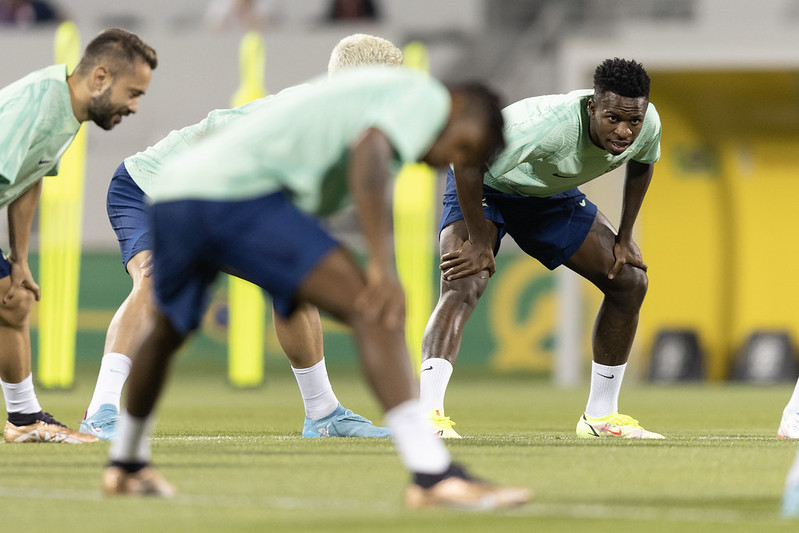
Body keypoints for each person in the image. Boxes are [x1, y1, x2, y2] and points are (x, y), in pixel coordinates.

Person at [101, 66, 530, 509]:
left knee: (168, 329)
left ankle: (126, 464)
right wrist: (382, 268)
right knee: (374, 307)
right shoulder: (426, 96)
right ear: (458, 105)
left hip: (177, 191)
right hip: (239, 194)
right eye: (461, 146)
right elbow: (370, 149)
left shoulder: (375, 103)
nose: (447, 161)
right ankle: (433, 475)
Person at [79, 34, 403, 441]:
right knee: (153, 281)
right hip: (150, 185)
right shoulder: (307, 118)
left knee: (295, 282)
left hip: (216, 195)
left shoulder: (340, 123)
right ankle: (101, 410)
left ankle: (324, 414)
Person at [420, 57, 665, 440]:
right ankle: (427, 416)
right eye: (613, 118)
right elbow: (466, 162)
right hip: (485, 184)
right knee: (465, 281)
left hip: (546, 195)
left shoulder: (647, 123)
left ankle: (601, 417)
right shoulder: (545, 128)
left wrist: (625, 236)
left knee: (630, 280)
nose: (624, 131)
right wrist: (481, 242)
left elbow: (643, 163)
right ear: (592, 107)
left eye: (633, 120)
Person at [0, 28, 157, 444]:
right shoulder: (37, 104)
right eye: (133, 92)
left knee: (12, 301)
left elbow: (28, 181)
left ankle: (23, 417)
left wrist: (18, 261)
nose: (136, 106)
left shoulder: (66, 112)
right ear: (101, 78)